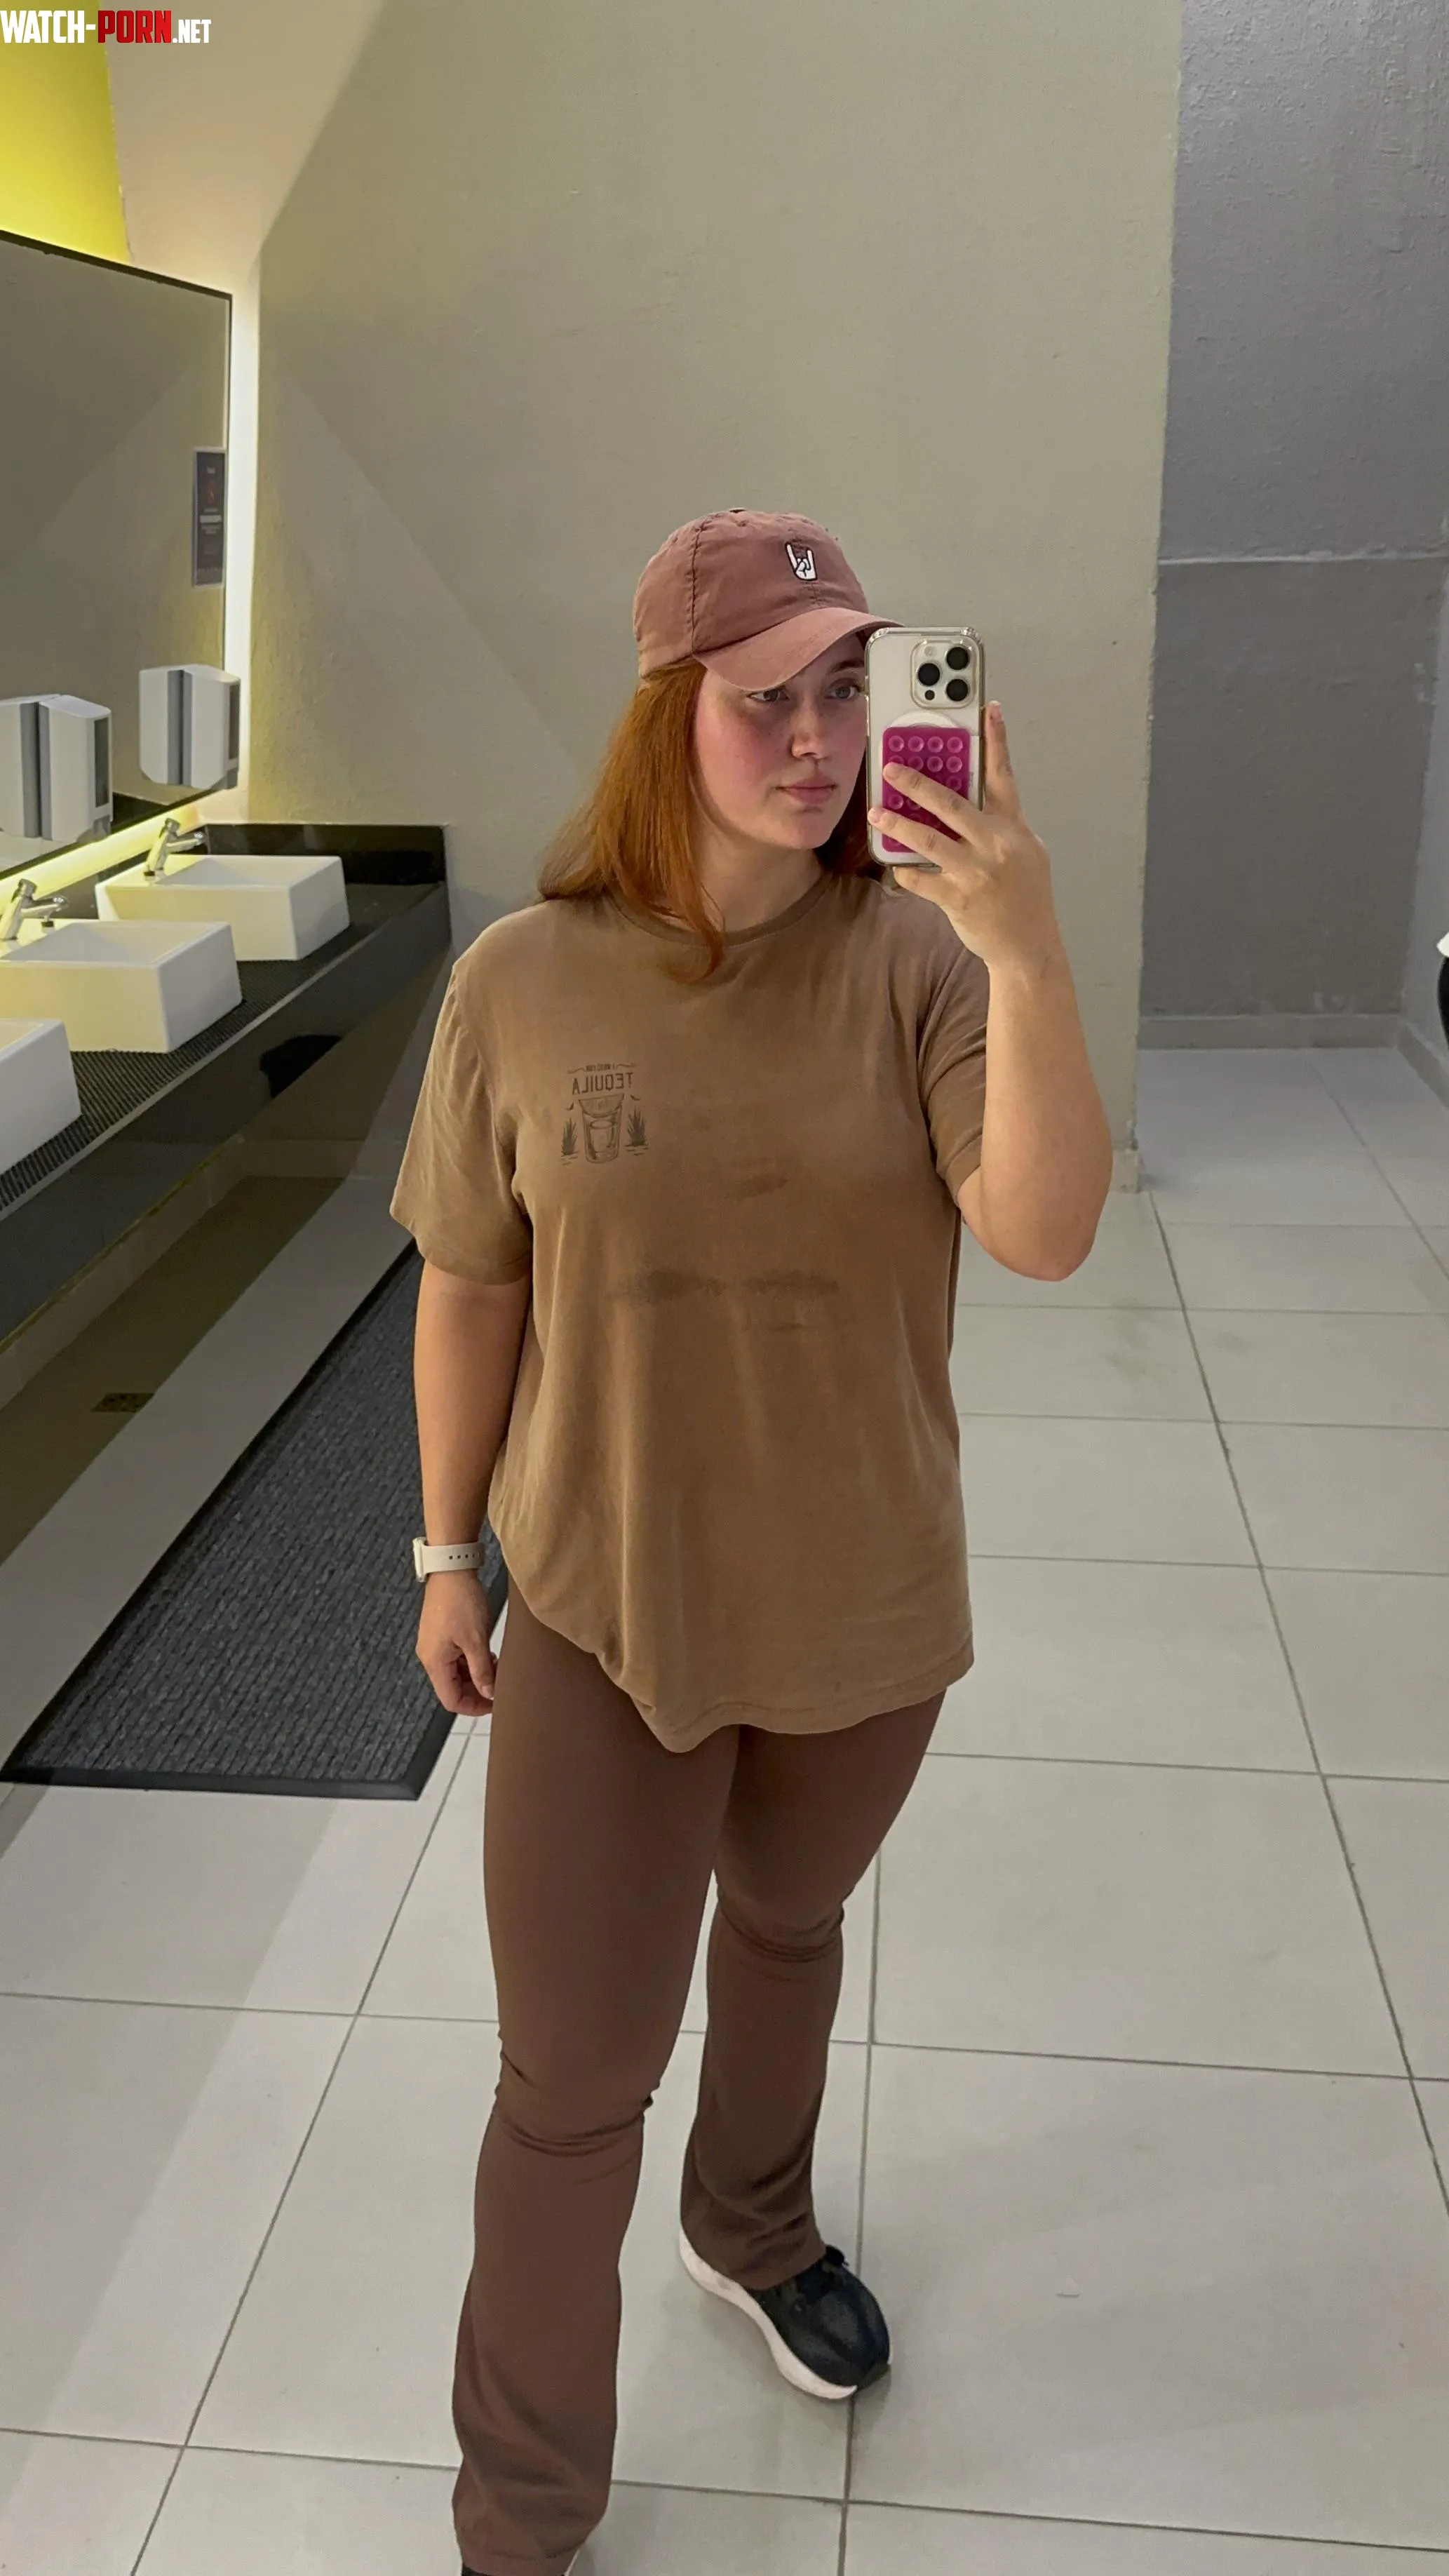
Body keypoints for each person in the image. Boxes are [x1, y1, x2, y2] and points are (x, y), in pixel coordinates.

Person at [390, 508, 1114, 2576]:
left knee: (787, 1929)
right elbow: (470, 1283)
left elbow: (1045, 1230)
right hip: (606, 1604)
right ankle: (523, 2517)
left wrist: (1027, 946)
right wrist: (444, 1554)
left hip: (862, 1607)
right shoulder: (522, 981)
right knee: (570, 2081)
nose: (814, 738)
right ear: (665, 714)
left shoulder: (920, 963)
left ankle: (755, 2226)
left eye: (848, 690)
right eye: (762, 698)